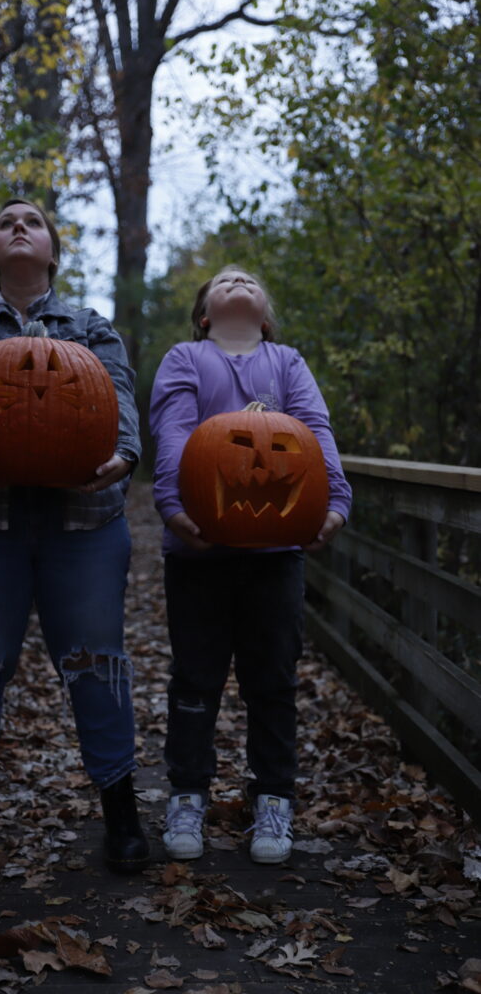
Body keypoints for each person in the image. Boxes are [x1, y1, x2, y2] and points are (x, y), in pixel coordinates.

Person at [0, 196, 149, 877]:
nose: (20, 227)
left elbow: (119, 399)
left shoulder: (89, 329)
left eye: (33, 222)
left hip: (82, 521)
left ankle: (121, 810)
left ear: (51, 250)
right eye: (5, 223)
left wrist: (123, 458)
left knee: (96, 662)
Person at [149, 265, 352, 865]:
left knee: (274, 682)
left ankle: (273, 798)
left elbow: (315, 430)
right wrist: (172, 505)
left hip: (276, 555)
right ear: (205, 313)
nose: (237, 279)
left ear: (264, 315)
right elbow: (175, 432)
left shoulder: (286, 362)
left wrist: (335, 500)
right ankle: (187, 793)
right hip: (198, 552)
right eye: (224, 278)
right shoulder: (185, 357)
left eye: (249, 279)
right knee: (195, 679)